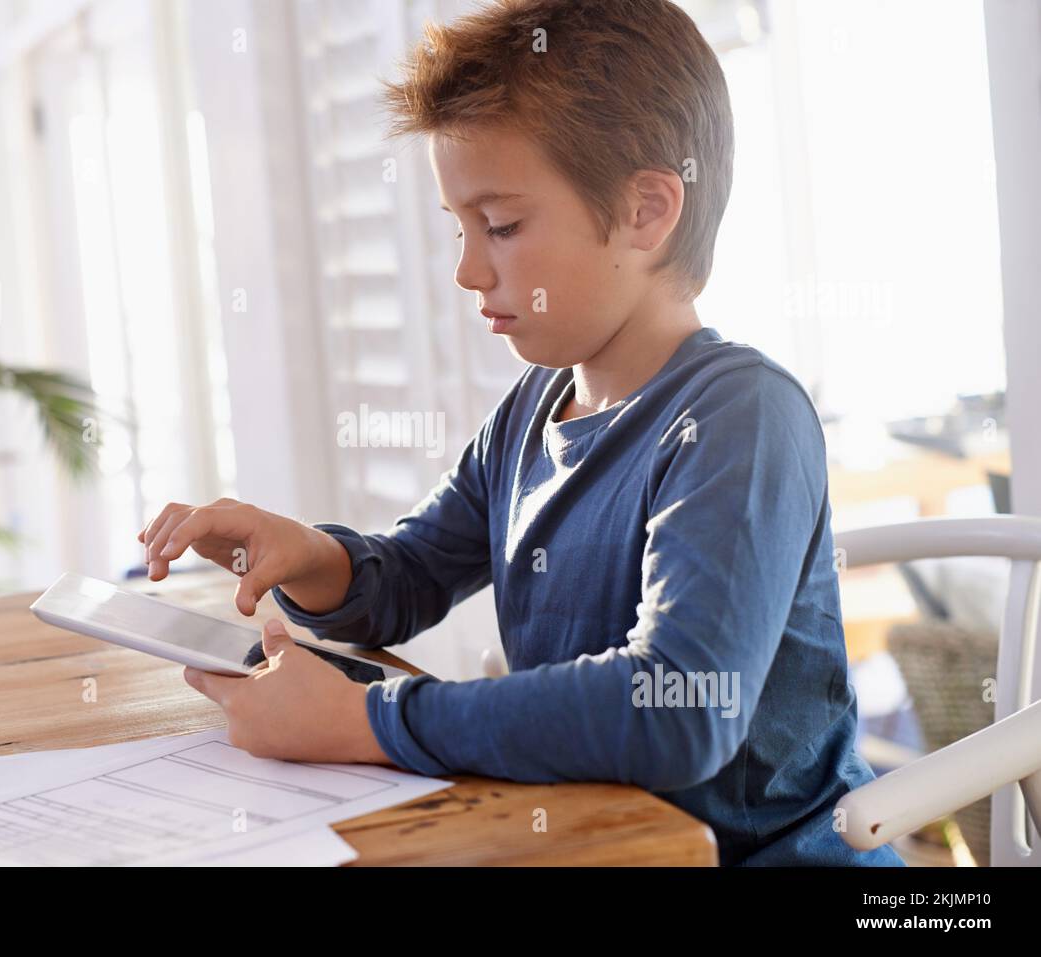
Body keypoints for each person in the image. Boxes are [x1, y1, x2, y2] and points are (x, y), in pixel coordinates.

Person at [139, 0, 905, 866]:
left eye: (500, 226)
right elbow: (413, 575)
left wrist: (368, 719)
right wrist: (307, 555)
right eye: (459, 229)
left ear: (647, 212)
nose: (468, 270)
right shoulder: (533, 410)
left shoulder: (741, 419)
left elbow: (680, 706)